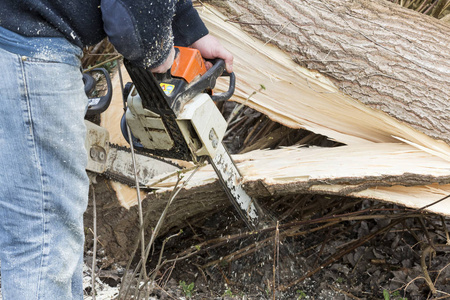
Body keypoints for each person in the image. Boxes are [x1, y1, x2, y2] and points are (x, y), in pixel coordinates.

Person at [0, 0, 233, 299]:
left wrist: (188, 30)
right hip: (30, 51)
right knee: (43, 244)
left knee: (41, 234)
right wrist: (158, 54)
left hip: (17, 35)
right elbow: (129, 16)